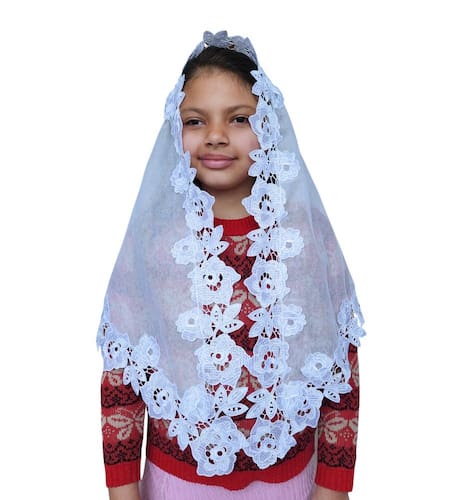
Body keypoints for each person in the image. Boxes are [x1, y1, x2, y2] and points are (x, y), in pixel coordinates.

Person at [97, 31, 365, 500]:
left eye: (239, 118)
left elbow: (340, 365)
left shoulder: (304, 239)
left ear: (269, 125)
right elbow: (123, 371)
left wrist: (334, 487)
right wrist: (122, 491)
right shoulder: (155, 243)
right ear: (174, 129)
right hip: (175, 485)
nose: (216, 135)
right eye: (195, 120)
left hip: (291, 484)